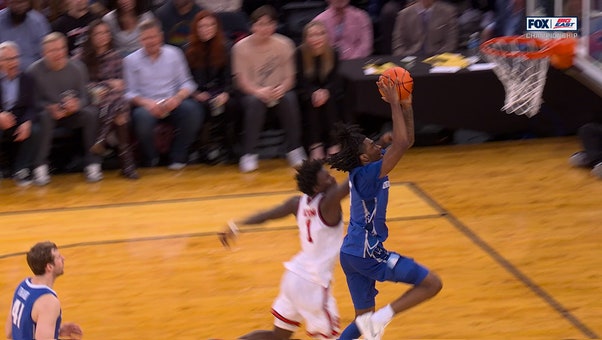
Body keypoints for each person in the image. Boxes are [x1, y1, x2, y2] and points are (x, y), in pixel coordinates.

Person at [327, 80, 442, 340]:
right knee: (432, 284)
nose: (379, 145)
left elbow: (407, 141)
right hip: (368, 253)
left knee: (361, 320)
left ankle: (372, 322)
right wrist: (393, 103)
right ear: (365, 158)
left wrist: (407, 106)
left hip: (352, 253)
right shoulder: (369, 173)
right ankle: (381, 319)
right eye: (373, 145)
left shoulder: (367, 168)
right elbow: (401, 144)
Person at [219, 159, 349, 339]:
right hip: (313, 284)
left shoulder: (297, 203)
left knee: (277, 336)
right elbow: (354, 181)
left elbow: (267, 215)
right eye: (326, 177)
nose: (332, 178)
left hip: (293, 276)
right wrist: (374, 153)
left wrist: (236, 224)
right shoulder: (328, 205)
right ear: (316, 188)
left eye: (329, 173)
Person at [231, 5, 306, 173]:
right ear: (252, 26)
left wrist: (282, 88)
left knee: (289, 98)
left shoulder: (285, 44)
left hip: (279, 89)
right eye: (260, 24)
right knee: (255, 102)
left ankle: (295, 149)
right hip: (252, 92)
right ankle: (248, 153)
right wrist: (258, 91)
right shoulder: (240, 47)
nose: (264, 28)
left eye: (269, 24)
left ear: (275, 25)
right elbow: (241, 80)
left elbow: (290, 77)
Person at [123, 18, 203, 169]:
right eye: (146, 38)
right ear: (140, 40)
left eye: (153, 37)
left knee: (193, 111)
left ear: (160, 36)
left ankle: (178, 156)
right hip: (147, 105)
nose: (150, 41)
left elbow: (188, 83)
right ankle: (151, 157)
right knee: (142, 118)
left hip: (172, 101)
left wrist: (177, 98)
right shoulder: (130, 61)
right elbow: (129, 93)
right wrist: (146, 103)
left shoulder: (175, 54)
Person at [27, 32, 102, 185]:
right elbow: (31, 102)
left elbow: (85, 97)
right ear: (44, 53)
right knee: (45, 116)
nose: (58, 53)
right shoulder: (33, 71)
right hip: (48, 116)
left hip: (72, 114)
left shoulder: (78, 67)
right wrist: (48, 107)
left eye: (61, 48)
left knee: (92, 113)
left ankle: (92, 163)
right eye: (53, 50)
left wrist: (76, 105)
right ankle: (40, 167)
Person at [79, 19, 139, 179]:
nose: (102, 36)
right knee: (119, 103)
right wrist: (106, 84)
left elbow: (121, 85)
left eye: (105, 32)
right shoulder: (81, 57)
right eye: (98, 33)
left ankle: (102, 140)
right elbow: (82, 85)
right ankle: (127, 163)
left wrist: (106, 87)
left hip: (111, 104)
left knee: (119, 104)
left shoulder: (116, 57)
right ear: (91, 36)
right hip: (91, 101)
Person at [185, 10, 236, 164]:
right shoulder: (188, 49)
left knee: (232, 105)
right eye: (202, 26)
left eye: (210, 25)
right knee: (201, 107)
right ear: (196, 28)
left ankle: (229, 147)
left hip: (220, 91)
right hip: (197, 93)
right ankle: (203, 146)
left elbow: (230, 77)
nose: (206, 29)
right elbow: (184, 78)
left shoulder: (226, 47)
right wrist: (195, 93)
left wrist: (226, 93)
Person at [5, 241, 83, 340]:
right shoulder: (48, 302)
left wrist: (55, 330)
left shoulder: (22, 286)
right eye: (58, 257)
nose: (63, 258)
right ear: (49, 267)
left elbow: (9, 332)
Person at [295, 20, 342, 160]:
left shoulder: (334, 52)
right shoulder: (300, 53)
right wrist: (313, 92)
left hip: (329, 92)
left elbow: (335, 79)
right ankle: (315, 145)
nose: (316, 38)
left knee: (330, 100)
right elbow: (300, 81)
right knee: (313, 101)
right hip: (305, 92)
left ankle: (334, 143)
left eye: (320, 34)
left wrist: (326, 91)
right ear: (306, 38)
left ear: (326, 36)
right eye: (312, 35)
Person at [0, 41, 40, 186]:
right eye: (8, 59)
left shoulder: (27, 79)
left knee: (35, 129)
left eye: (16, 58)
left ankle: (21, 169)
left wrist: (27, 122)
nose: (14, 62)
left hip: (20, 118)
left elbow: (33, 106)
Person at [392, 0, 458, 57]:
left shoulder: (448, 12)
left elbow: (450, 44)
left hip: (438, 58)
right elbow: (398, 45)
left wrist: (439, 58)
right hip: (411, 57)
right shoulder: (404, 15)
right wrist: (404, 58)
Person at [0, 0, 51, 69]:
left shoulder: (38, 22)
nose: (19, 6)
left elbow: (46, 53)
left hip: (33, 73)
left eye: (22, 2)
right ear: (8, 3)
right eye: (15, 2)